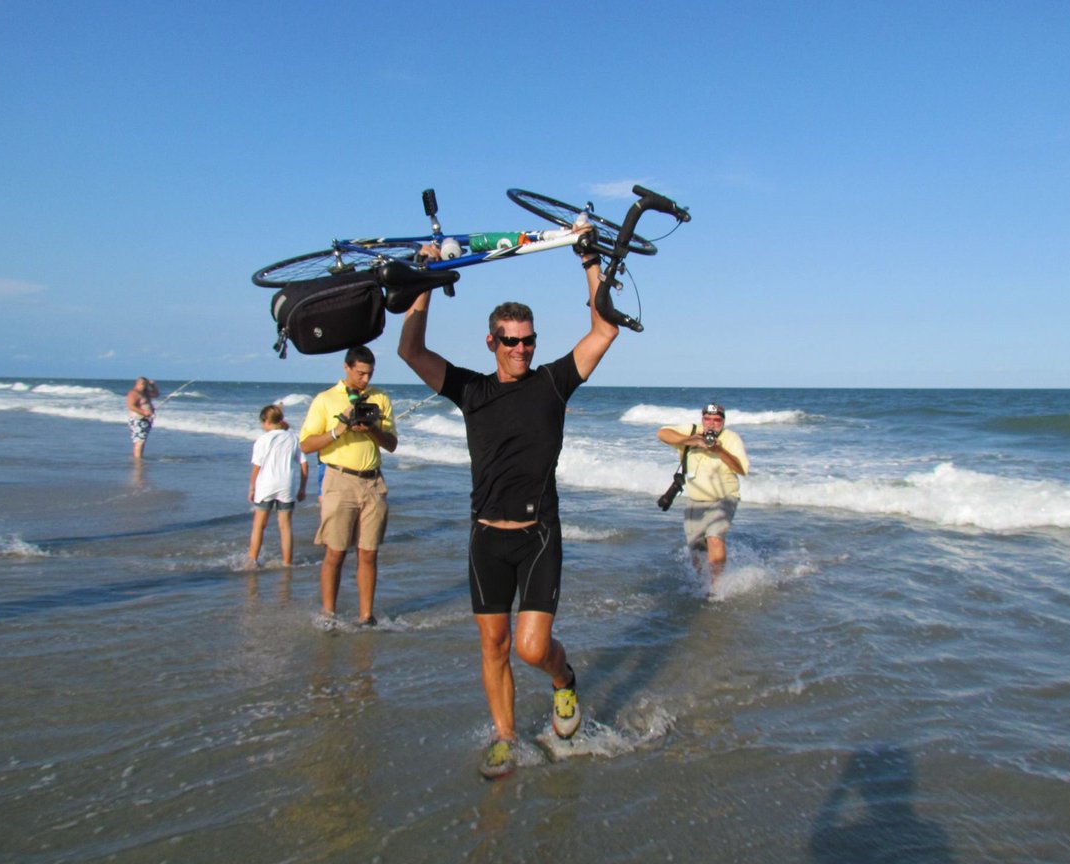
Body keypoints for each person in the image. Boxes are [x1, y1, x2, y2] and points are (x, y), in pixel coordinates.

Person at [398, 236, 617, 779]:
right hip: (485, 540)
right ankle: (504, 736)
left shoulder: (553, 383)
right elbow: (411, 351)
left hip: (538, 534)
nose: (522, 349)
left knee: (531, 647)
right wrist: (424, 283)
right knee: (493, 644)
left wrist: (589, 261)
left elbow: (604, 329)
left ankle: (564, 682)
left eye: (529, 340)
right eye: (511, 341)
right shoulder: (471, 390)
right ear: (492, 341)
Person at [298, 346, 397, 627]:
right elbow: (305, 444)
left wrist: (372, 429)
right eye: (360, 373)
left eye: (369, 374)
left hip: (373, 481)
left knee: (369, 552)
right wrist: (338, 428)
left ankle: (366, 616)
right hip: (338, 479)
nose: (365, 379)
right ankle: (328, 613)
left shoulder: (379, 398)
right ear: (346, 367)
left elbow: (391, 444)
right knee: (336, 551)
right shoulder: (326, 400)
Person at [657, 402, 750, 583]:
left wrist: (719, 450)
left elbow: (741, 469)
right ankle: (702, 584)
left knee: (714, 536)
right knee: (696, 547)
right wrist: (688, 441)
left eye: (716, 420)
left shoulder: (732, 438)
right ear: (702, 420)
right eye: (707, 419)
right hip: (695, 499)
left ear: (723, 421)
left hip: (724, 497)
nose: (711, 424)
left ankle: (717, 586)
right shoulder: (692, 430)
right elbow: (662, 433)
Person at [247, 404, 308, 567]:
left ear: (266, 421)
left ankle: (252, 559)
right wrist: (302, 487)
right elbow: (303, 463)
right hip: (286, 485)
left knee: (259, 525)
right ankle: (287, 562)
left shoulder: (263, 440)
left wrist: (252, 487)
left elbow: (256, 467)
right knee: (285, 526)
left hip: (266, 485)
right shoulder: (293, 438)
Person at [126, 377, 160, 459]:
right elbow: (131, 406)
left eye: (145, 384)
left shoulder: (145, 392)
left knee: (142, 440)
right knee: (139, 441)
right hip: (138, 419)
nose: (144, 386)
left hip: (146, 420)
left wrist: (153, 385)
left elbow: (156, 394)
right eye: (143, 384)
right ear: (137, 383)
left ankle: (138, 457)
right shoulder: (133, 393)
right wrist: (144, 412)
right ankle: (138, 459)